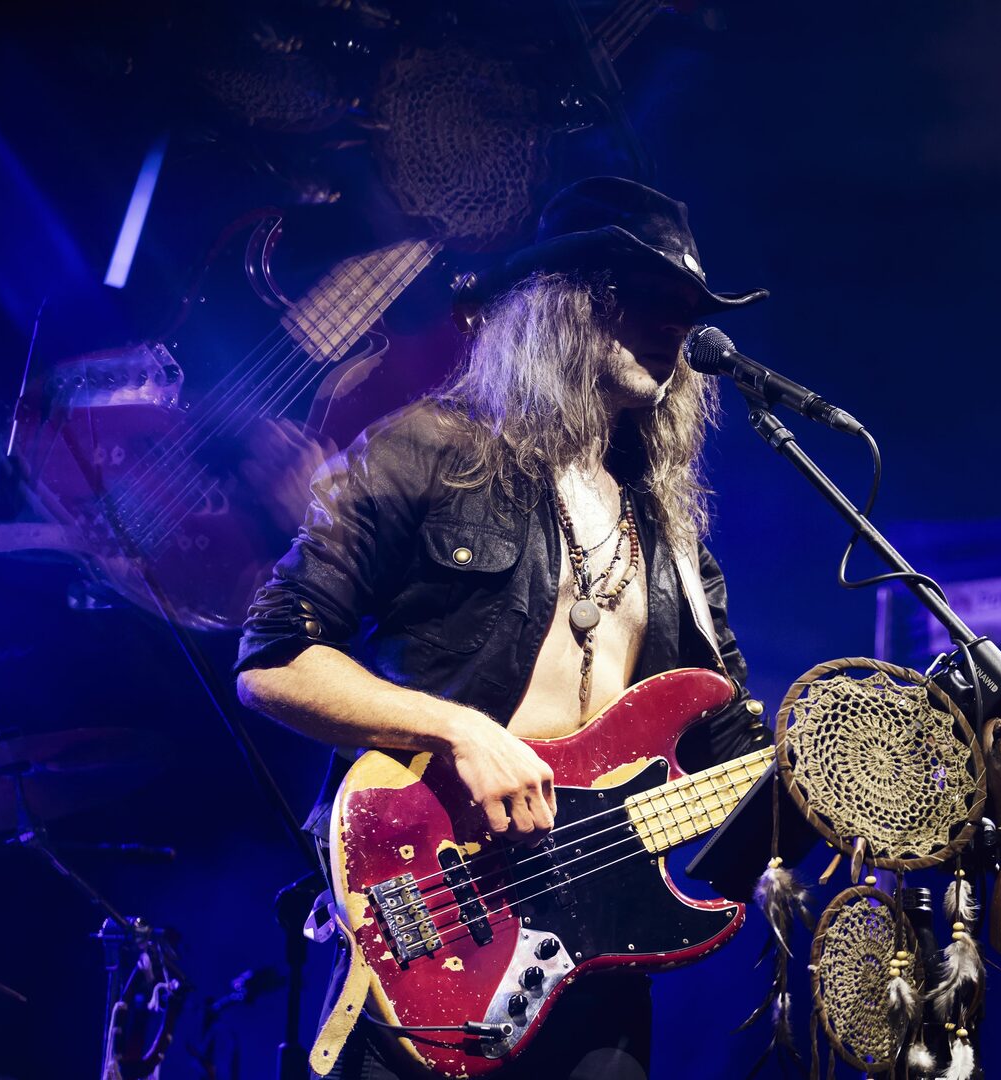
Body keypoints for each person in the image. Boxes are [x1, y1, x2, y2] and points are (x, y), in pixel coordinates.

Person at [234, 177, 772, 1079]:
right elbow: (273, 659)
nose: (678, 326)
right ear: (565, 301)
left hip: (599, 964)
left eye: (689, 307)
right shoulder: (428, 451)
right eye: (650, 296)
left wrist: (851, 782)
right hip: (433, 923)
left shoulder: (672, 538)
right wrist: (459, 730)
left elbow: (731, 761)